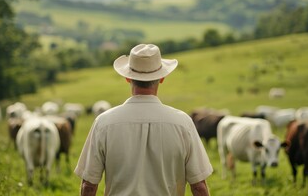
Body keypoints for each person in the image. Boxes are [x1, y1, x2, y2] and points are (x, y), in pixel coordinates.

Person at [75, 44, 213, 196]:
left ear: (127, 77)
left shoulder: (104, 123)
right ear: (162, 78)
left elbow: (88, 186)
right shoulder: (183, 123)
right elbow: (199, 187)